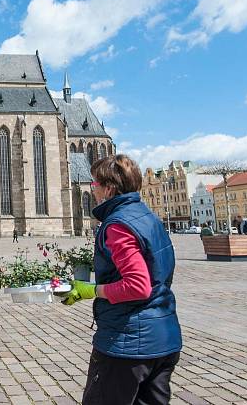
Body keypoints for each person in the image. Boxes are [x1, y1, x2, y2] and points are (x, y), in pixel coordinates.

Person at [60, 154, 182, 405]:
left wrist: (91, 290)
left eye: (95, 184)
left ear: (109, 189)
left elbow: (137, 286)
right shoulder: (149, 219)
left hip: (128, 345)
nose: (92, 190)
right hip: (164, 338)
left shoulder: (118, 225)